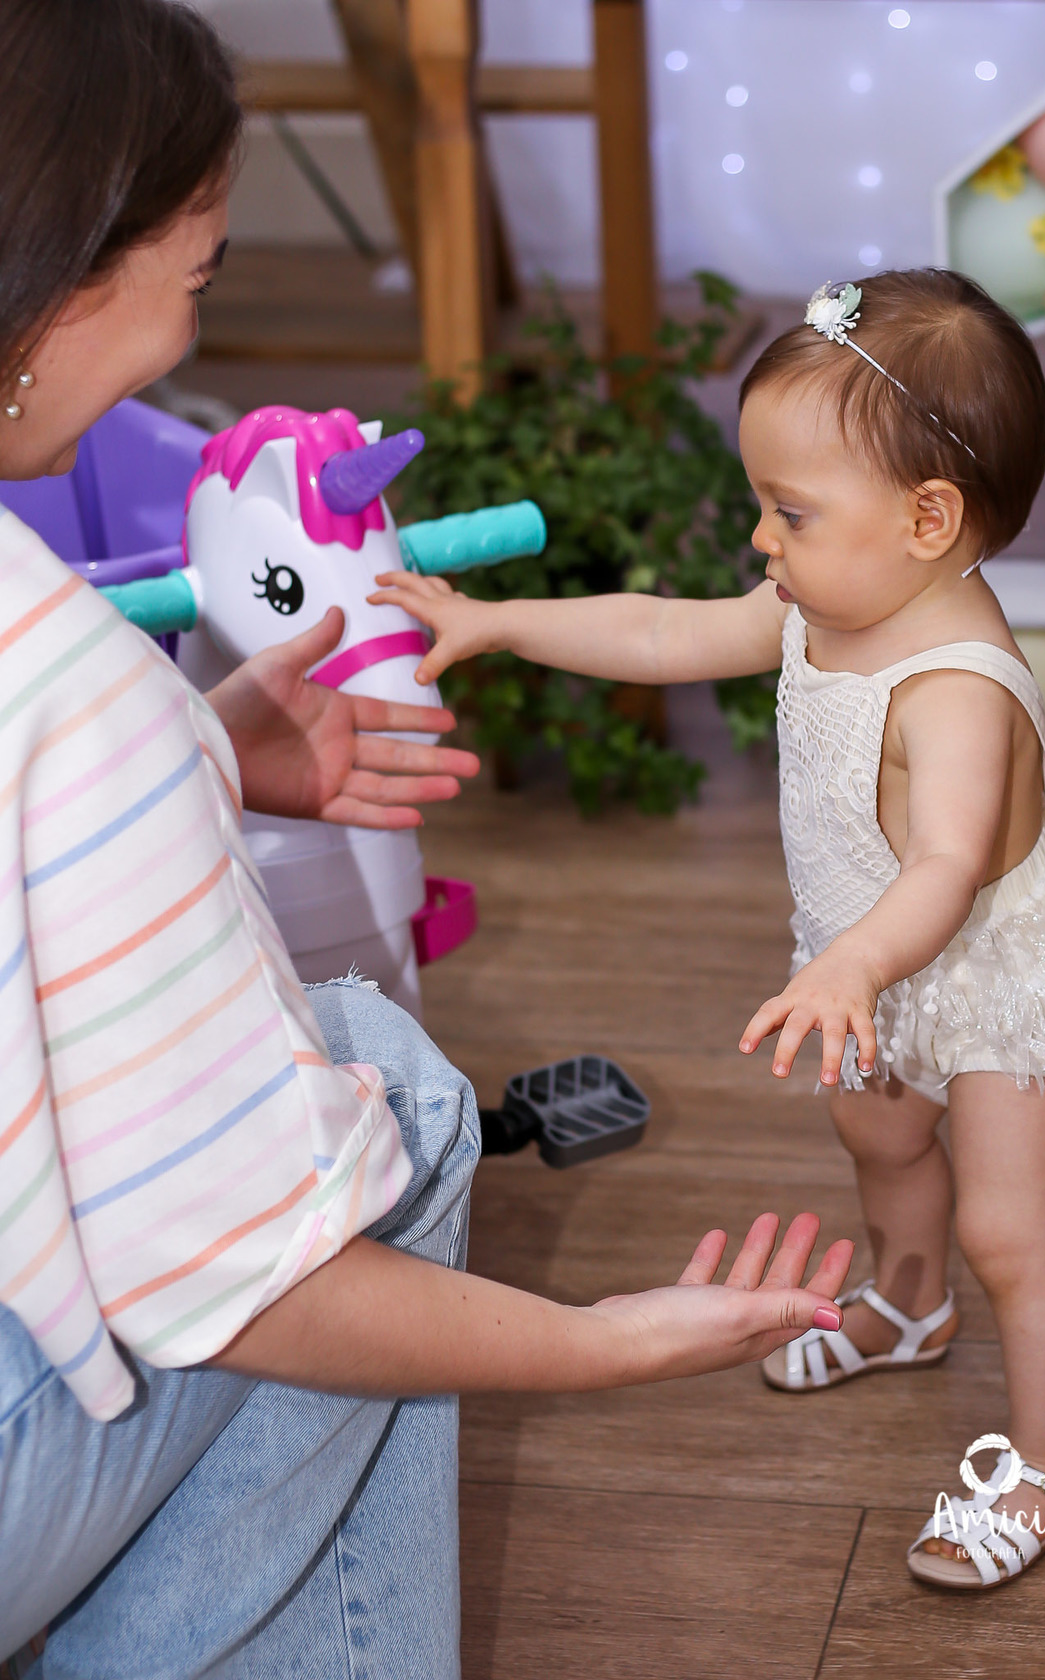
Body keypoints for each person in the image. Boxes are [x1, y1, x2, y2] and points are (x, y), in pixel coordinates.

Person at [0, 3, 854, 1674]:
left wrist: (196, 749)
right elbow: (237, 1285)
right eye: (205, 269)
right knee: (389, 1101)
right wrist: (599, 1338)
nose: (188, 333)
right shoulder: (67, 691)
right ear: (70, 273)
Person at [375, 268, 1045, 1591]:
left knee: (1011, 1234)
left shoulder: (957, 688)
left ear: (928, 520)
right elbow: (663, 627)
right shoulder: (823, 603)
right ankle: (908, 1307)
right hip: (864, 952)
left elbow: (951, 867)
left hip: (995, 972)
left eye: (789, 511)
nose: (760, 540)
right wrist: (498, 621)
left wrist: (854, 961)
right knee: (882, 1139)